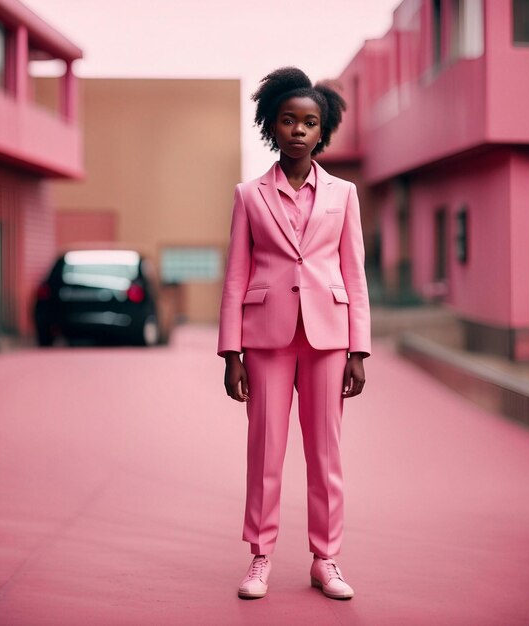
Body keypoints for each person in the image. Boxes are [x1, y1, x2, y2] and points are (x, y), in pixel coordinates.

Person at [218, 67, 371, 600]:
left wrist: (359, 348)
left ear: (321, 130)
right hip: (265, 340)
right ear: (272, 126)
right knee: (265, 449)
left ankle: (325, 559)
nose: (299, 130)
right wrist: (230, 352)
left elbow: (354, 272)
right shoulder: (249, 195)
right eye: (288, 120)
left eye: (309, 122)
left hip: (329, 337)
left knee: (325, 452)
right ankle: (259, 557)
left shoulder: (345, 194)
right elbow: (236, 274)